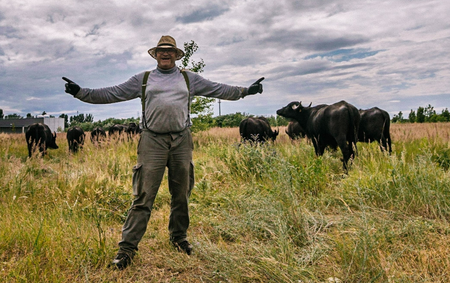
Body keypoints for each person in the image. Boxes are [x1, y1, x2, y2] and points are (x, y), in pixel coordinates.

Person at [63, 35, 264, 270]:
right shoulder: (144, 79)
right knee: (143, 197)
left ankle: (178, 238)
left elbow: (218, 89)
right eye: (161, 50)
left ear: (176, 55)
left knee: (181, 194)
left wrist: (246, 91)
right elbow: (111, 93)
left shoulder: (189, 78)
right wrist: (80, 92)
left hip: (181, 141)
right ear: (155, 54)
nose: (165, 54)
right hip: (152, 141)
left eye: (169, 50)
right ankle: (127, 249)